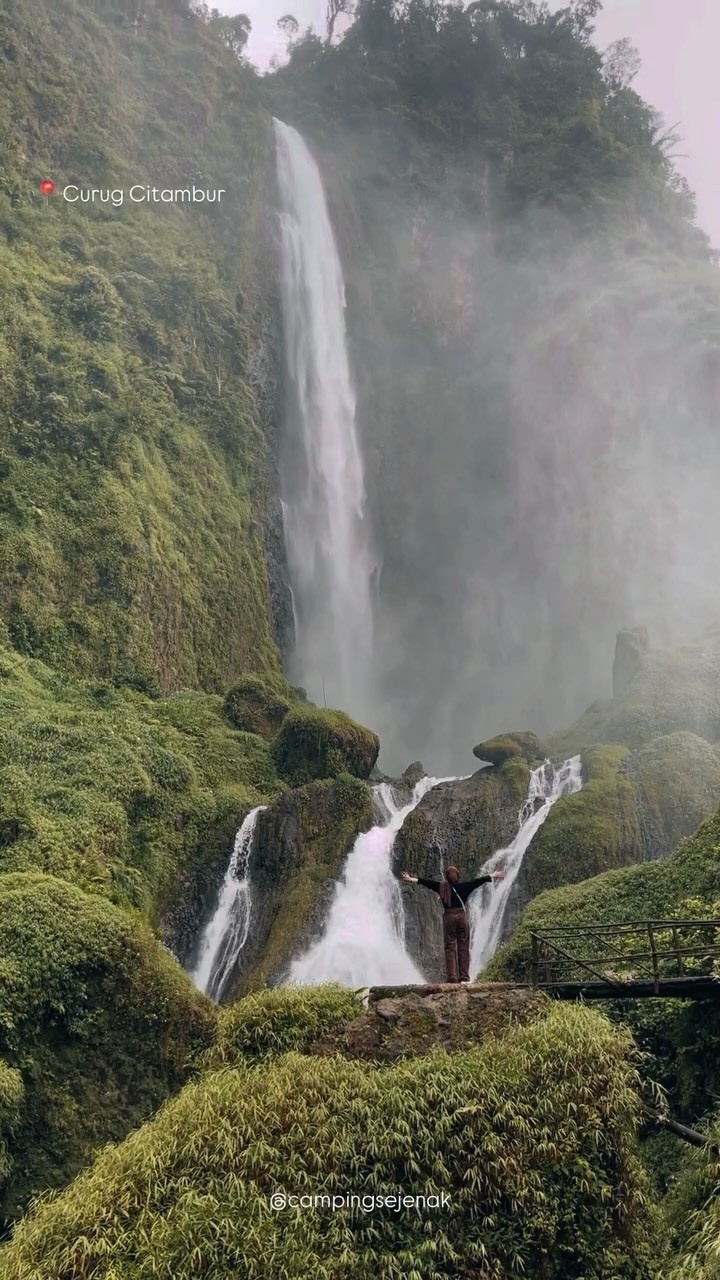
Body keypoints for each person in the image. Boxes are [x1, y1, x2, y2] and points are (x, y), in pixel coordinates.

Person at [401, 864, 506, 984]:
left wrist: (410, 879)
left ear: (446, 877)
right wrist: (494, 875)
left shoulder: (441, 887)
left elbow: (426, 882)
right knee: (463, 948)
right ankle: (464, 978)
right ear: (458, 876)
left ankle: (452, 977)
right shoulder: (465, 886)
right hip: (461, 918)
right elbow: (479, 881)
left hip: (449, 918)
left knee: (450, 948)